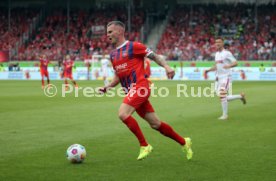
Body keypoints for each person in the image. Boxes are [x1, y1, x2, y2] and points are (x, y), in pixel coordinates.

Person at [99, 21, 193, 160]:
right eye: (107, 32)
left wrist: (167, 67)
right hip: (131, 91)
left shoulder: (134, 46)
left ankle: (144, 145)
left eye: (110, 32)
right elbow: (118, 76)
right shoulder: (113, 55)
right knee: (156, 124)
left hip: (140, 87)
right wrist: (107, 87)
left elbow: (155, 56)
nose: (108, 35)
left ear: (119, 31)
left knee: (123, 114)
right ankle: (184, 142)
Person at [205, 37, 246, 120]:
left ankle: (225, 115)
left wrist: (229, 66)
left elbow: (235, 63)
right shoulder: (216, 54)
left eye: (219, 42)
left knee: (222, 94)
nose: (217, 44)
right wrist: (208, 70)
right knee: (222, 97)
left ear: (223, 43)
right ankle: (240, 96)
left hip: (226, 77)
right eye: (216, 42)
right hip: (218, 78)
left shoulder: (227, 53)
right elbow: (216, 66)